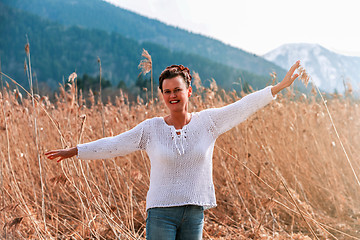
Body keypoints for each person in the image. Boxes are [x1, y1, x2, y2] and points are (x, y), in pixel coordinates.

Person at [45, 61, 301, 240]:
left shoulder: (208, 122)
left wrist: (278, 87)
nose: (172, 95)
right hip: (160, 215)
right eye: (167, 92)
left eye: (177, 90)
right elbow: (114, 144)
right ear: (162, 95)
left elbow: (243, 106)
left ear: (188, 91)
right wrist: (76, 150)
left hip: (193, 213)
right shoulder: (151, 129)